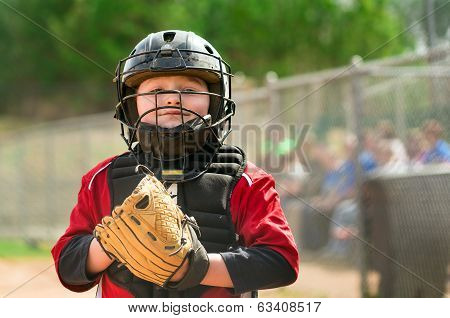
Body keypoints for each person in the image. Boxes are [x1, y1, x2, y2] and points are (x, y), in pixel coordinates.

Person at [51, 30, 299, 298]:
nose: (172, 98)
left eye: (189, 90)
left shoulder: (246, 179)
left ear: (215, 101)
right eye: (156, 90)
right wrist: (111, 246)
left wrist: (197, 269)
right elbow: (68, 268)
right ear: (131, 105)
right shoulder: (101, 179)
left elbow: (281, 262)